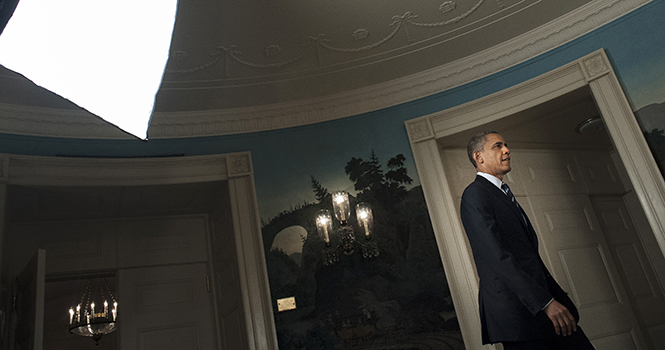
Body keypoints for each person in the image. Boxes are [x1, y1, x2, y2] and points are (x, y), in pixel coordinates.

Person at [459, 131, 595, 350]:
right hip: (520, 315)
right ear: (479, 157)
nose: (506, 150)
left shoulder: (502, 193)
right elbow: (497, 257)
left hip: (541, 306)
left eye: (506, 145)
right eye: (497, 146)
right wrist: (545, 303)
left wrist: (550, 298)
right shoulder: (475, 194)